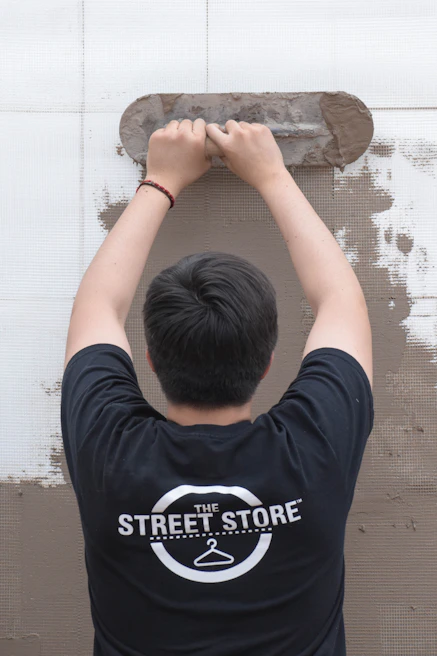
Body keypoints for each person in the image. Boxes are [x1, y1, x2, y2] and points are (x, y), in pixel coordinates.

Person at [61, 118, 373, 656]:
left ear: (152, 360)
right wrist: (271, 176)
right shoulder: (314, 446)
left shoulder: (110, 453)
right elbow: (339, 301)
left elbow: (98, 307)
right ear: (269, 360)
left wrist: (161, 181)